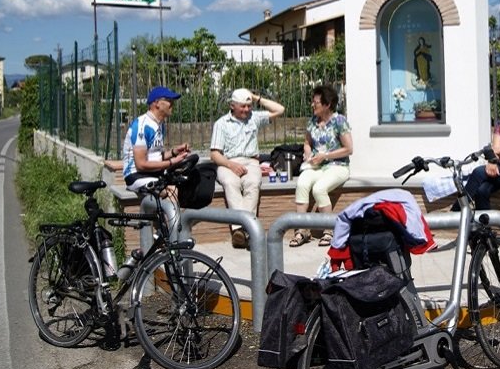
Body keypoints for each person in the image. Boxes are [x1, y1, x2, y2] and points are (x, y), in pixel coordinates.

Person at [210, 88, 285, 248]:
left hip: (251, 161)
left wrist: (257, 98)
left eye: (249, 106)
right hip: (228, 162)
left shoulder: (255, 118)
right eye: (242, 106)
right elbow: (215, 154)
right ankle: (244, 229)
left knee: (253, 183)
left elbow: (280, 110)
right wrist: (231, 165)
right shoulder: (221, 124)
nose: (246, 110)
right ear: (232, 106)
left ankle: (243, 230)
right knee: (231, 184)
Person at [121, 86, 192, 238]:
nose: (172, 104)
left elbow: (156, 157)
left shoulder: (159, 125)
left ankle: (168, 233)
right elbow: (141, 164)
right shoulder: (142, 125)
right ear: (157, 103)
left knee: (184, 181)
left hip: (151, 173)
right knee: (168, 190)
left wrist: (174, 152)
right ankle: (170, 234)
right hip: (135, 175)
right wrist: (172, 162)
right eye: (169, 101)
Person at [290, 85, 353, 248]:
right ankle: (302, 230)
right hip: (317, 166)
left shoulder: (339, 121)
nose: (312, 104)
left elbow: (349, 149)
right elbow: (307, 143)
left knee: (319, 189)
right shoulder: (312, 121)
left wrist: (325, 156)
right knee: (302, 183)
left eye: (316, 102)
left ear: (328, 104)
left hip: (338, 166)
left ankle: (329, 230)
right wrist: (308, 154)